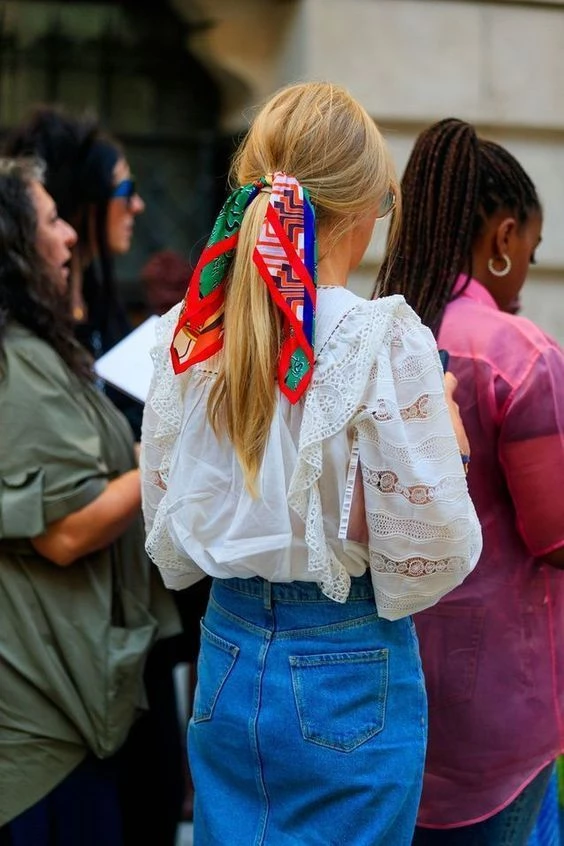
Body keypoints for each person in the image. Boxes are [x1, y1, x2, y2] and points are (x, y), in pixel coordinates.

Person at [140, 82, 482, 845]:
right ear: (362, 209)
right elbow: (435, 551)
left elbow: (168, 527)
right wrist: (442, 444)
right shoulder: (381, 339)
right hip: (345, 650)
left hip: (225, 648)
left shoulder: (188, 335)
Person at [377, 118, 564, 845]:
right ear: (502, 239)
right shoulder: (521, 354)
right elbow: (555, 537)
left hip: (394, 694)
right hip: (499, 715)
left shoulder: (385, 332)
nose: (524, 270)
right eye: (531, 251)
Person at [0, 157, 179, 845]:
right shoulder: (19, 362)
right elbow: (66, 532)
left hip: (68, 715)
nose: (71, 235)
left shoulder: (38, 350)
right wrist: (167, 452)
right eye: (51, 221)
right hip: (45, 735)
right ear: (16, 241)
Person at [3, 106, 146, 437]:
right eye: (125, 191)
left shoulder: (100, 297)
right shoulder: (26, 317)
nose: (137, 205)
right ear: (84, 201)